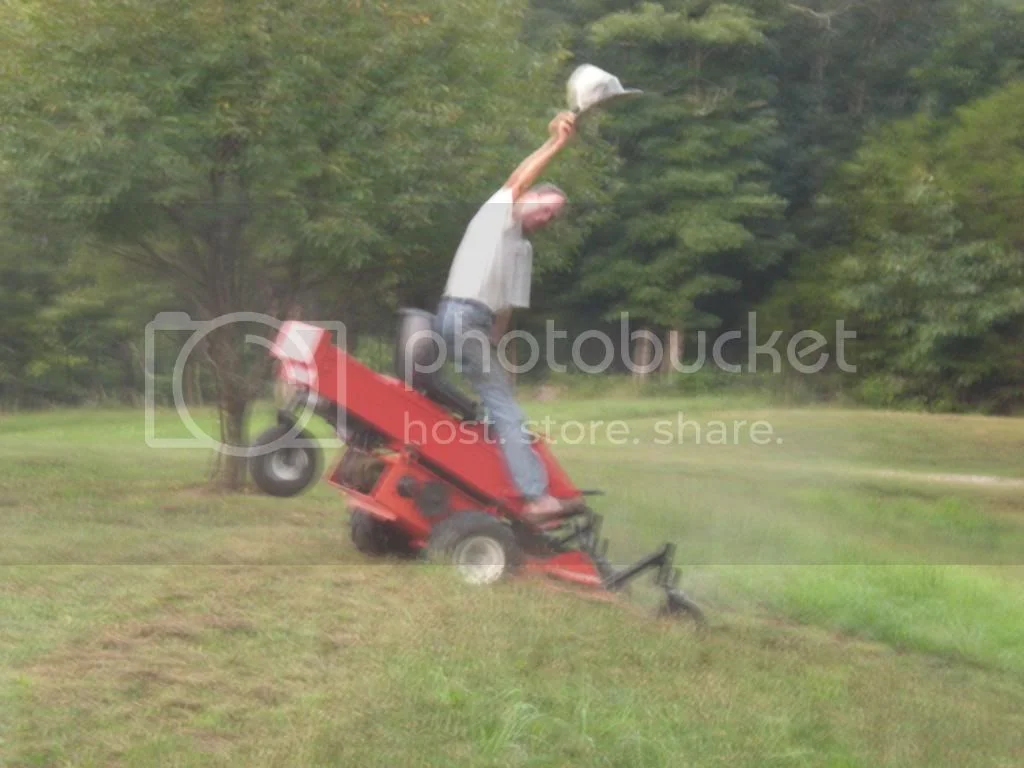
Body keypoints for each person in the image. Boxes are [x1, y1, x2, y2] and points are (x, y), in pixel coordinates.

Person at [435, 110, 581, 522]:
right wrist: (556, 142)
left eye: (552, 218)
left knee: (495, 402)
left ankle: (492, 478)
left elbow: (505, 312)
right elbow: (517, 179)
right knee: (504, 409)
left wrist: (499, 353)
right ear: (530, 197)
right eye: (546, 209)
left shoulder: (520, 248)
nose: (546, 219)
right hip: (461, 315)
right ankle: (535, 498)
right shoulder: (499, 214)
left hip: (473, 323)